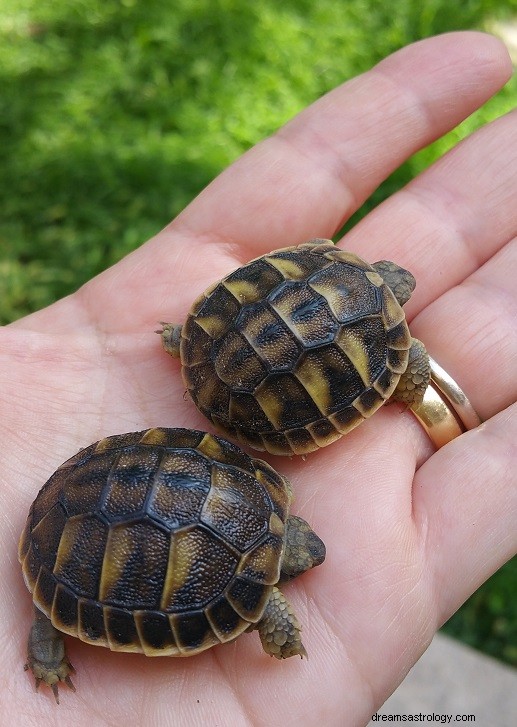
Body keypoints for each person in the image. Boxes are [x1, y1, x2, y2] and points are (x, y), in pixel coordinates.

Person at [2, 31, 515, 726]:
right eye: (294, 558)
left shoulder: (259, 494)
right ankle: (47, 630)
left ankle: (191, 344)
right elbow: (404, 367)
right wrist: (280, 633)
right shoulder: (262, 558)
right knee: (143, 548)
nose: (306, 554)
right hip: (90, 534)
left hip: (139, 440)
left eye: (299, 552)